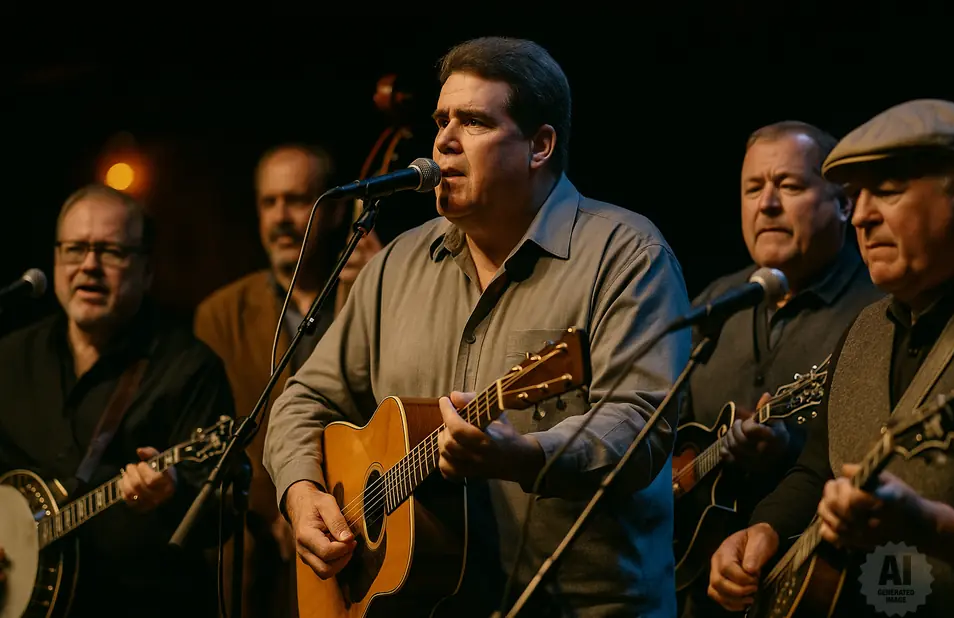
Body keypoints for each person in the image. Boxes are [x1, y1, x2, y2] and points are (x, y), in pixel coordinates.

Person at [263, 36, 691, 617]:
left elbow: (641, 424)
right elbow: (303, 397)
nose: (442, 140)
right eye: (441, 120)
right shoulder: (393, 266)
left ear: (539, 145)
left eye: (473, 121)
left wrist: (523, 455)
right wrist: (301, 491)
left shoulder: (627, 255)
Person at [707, 99, 954, 617]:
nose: (862, 215)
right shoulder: (865, 328)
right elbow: (818, 465)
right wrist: (764, 529)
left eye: (887, 191)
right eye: (856, 195)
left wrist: (932, 525)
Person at [0, 184, 234, 618]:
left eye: (110, 252)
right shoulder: (11, 357)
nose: (89, 266)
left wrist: (174, 491)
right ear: (54, 259)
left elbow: (223, 512)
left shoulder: (188, 367)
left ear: (146, 271)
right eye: (75, 249)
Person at [677, 121, 883, 616]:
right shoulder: (715, 304)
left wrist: (789, 450)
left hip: (823, 591)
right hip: (697, 580)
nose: (767, 204)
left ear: (845, 204)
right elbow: (664, 428)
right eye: (753, 188)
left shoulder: (880, 312)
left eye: (789, 185)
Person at [194, 143, 382, 617]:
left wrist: (378, 282)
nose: (281, 217)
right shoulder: (220, 314)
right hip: (254, 556)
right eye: (268, 202)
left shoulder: (371, 289)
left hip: (357, 527)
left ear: (339, 211)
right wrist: (284, 505)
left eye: (298, 200)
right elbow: (217, 435)